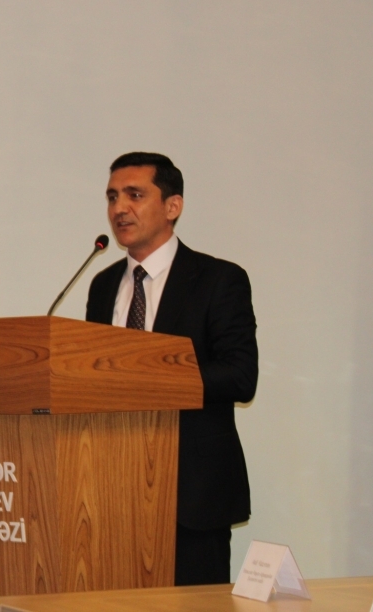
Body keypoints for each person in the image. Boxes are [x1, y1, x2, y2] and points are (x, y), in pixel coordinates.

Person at [86, 151, 258, 586]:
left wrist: (150, 380)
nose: (119, 208)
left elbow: (240, 375)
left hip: (192, 492)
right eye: (112, 197)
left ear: (172, 206)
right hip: (113, 489)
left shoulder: (218, 279)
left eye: (134, 195)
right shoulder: (103, 286)